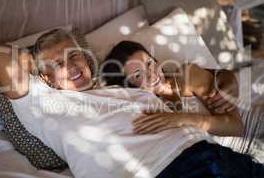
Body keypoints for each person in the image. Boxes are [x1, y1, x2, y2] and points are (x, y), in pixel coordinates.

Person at [0, 30, 263, 178]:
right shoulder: (42, 101)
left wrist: (225, 80)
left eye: (75, 56)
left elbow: (191, 87)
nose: (71, 66)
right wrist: (38, 63)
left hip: (213, 153)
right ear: (45, 76)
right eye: (59, 63)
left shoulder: (123, 89)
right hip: (159, 170)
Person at [102, 40, 244, 136]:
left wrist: (183, 118)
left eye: (149, 63)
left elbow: (237, 127)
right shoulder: (147, 111)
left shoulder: (187, 75)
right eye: (138, 75)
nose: (151, 75)